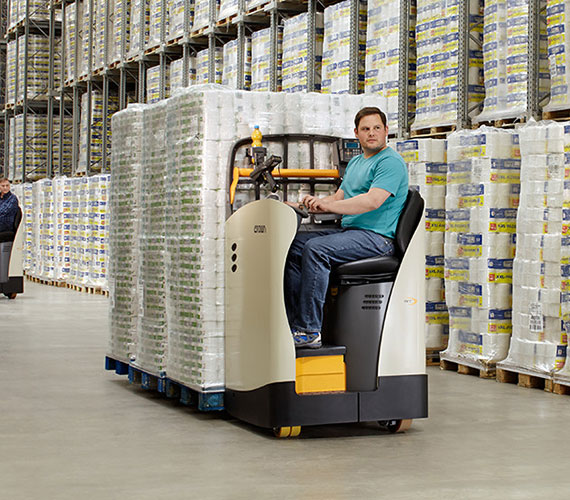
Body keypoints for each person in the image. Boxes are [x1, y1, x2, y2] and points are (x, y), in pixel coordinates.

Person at [284, 107, 408, 349]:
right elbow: (339, 198)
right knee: (293, 244)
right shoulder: (356, 163)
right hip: (352, 233)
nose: (371, 133)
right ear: (356, 133)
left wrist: (329, 205)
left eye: (376, 128)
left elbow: (372, 201)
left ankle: (309, 330)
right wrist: (306, 204)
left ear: (386, 131)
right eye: (365, 129)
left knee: (316, 249)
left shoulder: (390, 162)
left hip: (377, 238)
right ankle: (292, 325)